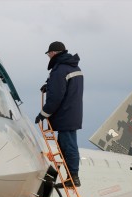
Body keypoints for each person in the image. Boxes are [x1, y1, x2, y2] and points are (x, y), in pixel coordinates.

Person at [35, 41, 83, 187]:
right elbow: (65, 89)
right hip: (72, 113)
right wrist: (49, 86)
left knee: (69, 146)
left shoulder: (59, 70)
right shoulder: (73, 67)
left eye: (49, 54)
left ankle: (73, 178)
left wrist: (43, 114)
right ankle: (69, 177)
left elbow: (56, 97)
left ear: (54, 53)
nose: (48, 56)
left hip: (65, 115)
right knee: (64, 146)